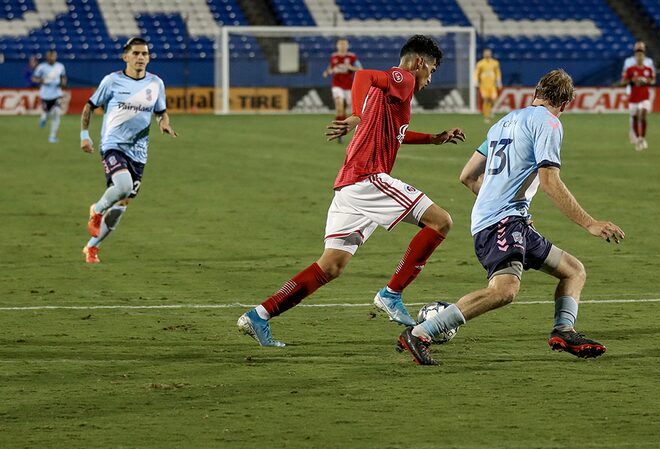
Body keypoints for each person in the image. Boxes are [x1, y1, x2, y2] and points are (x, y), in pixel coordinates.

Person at [237, 35, 465, 347]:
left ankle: (260, 314)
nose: (430, 77)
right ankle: (392, 293)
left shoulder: (393, 94)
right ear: (419, 63)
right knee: (441, 221)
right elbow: (362, 75)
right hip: (368, 177)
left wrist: (434, 139)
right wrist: (356, 114)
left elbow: (397, 134)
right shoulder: (404, 78)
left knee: (330, 266)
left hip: (349, 186)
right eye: (433, 70)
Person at [397, 69, 625, 366]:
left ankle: (564, 330)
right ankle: (421, 332)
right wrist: (590, 223)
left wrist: (495, 200)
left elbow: (467, 176)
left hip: (508, 219)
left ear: (535, 94)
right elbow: (549, 181)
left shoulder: (504, 121)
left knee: (573, 270)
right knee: (504, 291)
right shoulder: (549, 123)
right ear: (566, 104)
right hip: (504, 220)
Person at [80, 37, 177, 264]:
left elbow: (161, 111)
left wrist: (163, 122)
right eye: (136, 53)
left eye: (145, 54)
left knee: (123, 204)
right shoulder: (112, 81)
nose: (141, 58)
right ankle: (97, 210)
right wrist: (85, 135)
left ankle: (92, 247)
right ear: (126, 56)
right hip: (113, 145)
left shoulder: (156, 83)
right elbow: (90, 106)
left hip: (139, 153)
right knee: (122, 186)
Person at [322, 37, 362, 141]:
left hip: (349, 86)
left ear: (347, 46)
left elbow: (360, 69)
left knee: (345, 109)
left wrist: (351, 68)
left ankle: (342, 130)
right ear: (337, 45)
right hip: (337, 85)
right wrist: (327, 72)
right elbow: (331, 66)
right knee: (339, 106)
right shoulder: (334, 56)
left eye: (344, 44)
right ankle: (339, 133)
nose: (342, 46)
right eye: (340, 44)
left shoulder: (352, 57)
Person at [620, 41, 655, 144]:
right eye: (638, 49)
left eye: (641, 49)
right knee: (634, 116)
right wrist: (632, 81)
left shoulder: (649, 62)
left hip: (644, 91)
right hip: (632, 90)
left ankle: (640, 137)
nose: (640, 51)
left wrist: (646, 81)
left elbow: (652, 77)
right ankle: (634, 134)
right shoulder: (628, 61)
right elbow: (625, 76)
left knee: (642, 114)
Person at [31, 50, 67, 143]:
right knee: (47, 113)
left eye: (53, 56)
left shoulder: (60, 66)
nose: (52, 58)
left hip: (57, 94)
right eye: (50, 56)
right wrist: (42, 81)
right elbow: (34, 78)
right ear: (47, 57)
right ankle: (43, 118)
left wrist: (63, 83)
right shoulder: (41, 67)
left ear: (56, 56)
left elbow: (63, 77)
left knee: (56, 114)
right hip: (45, 95)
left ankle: (52, 136)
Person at [475, 47, 502, 123]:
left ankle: (490, 110)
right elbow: (477, 73)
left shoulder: (495, 63)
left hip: (492, 85)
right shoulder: (480, 63)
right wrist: (476, 81)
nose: (487, 54)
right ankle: (486, 116)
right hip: (483, 86)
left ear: (490, 54)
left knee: (494, 99)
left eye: (488, 53)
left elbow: (497, 72)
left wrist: (499, 81)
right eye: (486, 53)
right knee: (486, 99)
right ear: (483, 54)